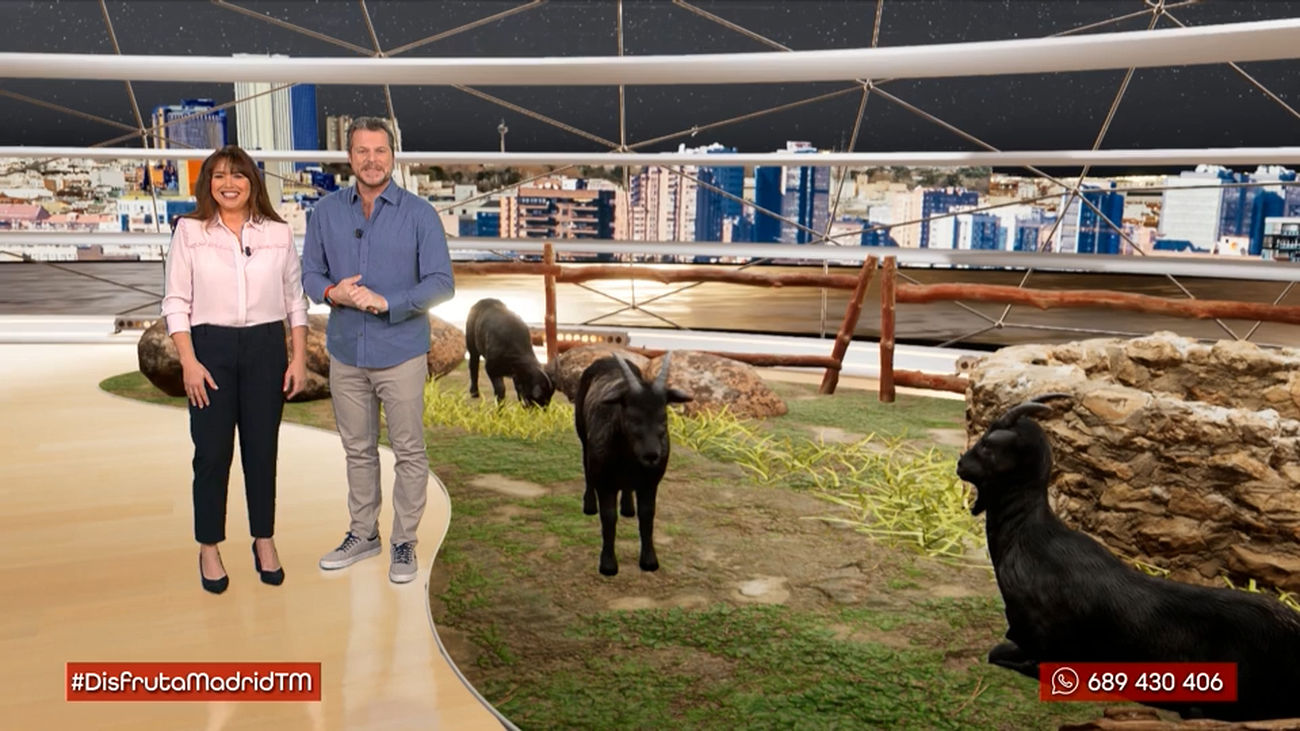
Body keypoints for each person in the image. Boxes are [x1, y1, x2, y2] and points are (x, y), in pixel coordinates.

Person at [301, 116, 455, 584]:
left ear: (393, 156)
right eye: (362, 151)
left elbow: (442, 284)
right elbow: (309, 276)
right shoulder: (325, 213)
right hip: (346, 351)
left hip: (401, 350)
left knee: (408, 452)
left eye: (380, 151)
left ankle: (403, 543)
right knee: (358, 451)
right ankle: (362, 534)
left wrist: (389, 303)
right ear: (349, 158)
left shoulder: (420, 215)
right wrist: (334, 294)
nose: (371, 159)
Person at [161, 145, 308, 594]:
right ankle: (209, 546)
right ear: (208, 183)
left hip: (266, 348)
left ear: (253, 183)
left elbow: (294, 302)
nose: (229, 184)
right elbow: (175, 302)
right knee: (211, 455)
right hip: (210, 349)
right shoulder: (189, 231)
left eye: (238, 175)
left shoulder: (278, 234)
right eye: (219, 176)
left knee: (262, 453)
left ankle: (263, 539)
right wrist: (189, 361)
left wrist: (298, 357)